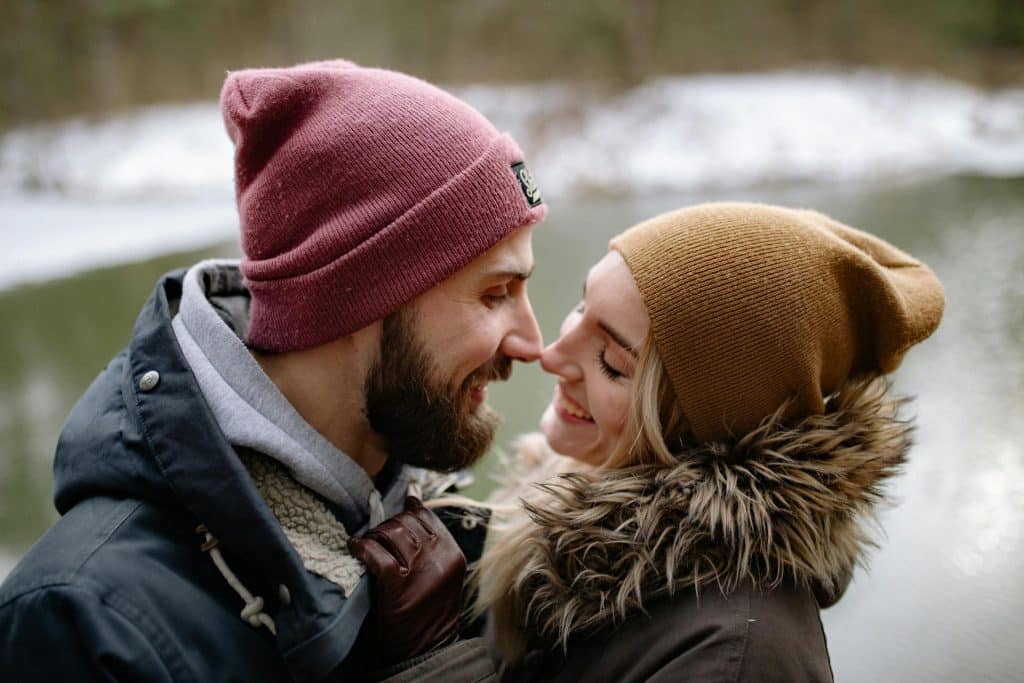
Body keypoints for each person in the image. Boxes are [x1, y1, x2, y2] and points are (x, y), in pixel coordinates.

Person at [0, 60, 547, 681]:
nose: (533, 342)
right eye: (496, 293)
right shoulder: (86, 627)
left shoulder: (429, 527)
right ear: (356, 295)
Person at [474, 202, 945, 681]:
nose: (550, 355)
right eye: (581, 307)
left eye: (612, 363)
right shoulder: (564, 482)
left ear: (700, 426)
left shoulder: (737, 659)